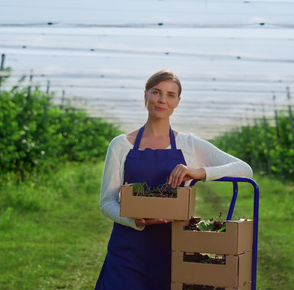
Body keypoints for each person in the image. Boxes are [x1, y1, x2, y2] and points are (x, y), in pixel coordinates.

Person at [95, 69, 253, 290]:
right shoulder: (121, 145)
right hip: (127, 251)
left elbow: (244, 169)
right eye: (156, 92)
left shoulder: (189, 144)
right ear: (145, 95)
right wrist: (134, 221)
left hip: (173, 251)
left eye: (170, 95)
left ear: (178, 102)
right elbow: (107, 202)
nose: (162, 100)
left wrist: (199, 172)